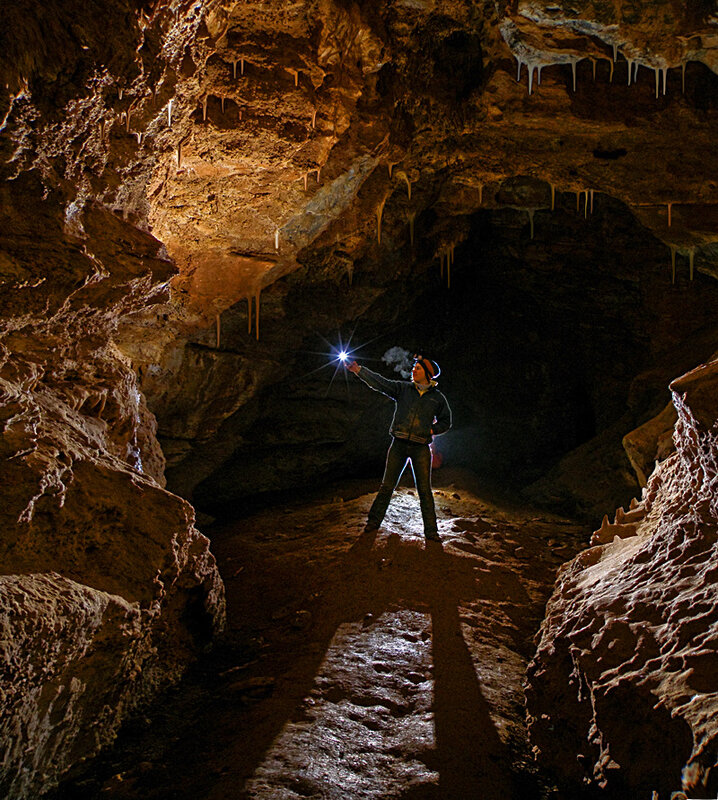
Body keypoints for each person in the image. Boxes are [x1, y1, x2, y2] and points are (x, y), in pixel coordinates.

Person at [346, 354, 452, 541]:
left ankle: (431, 532)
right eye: (414, 368)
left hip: (421, 448)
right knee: (387, 486)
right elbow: (380, 383)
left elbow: (446, 421)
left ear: (428, 374)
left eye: (418, 368)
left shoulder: (438, 398)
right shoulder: (403, 389)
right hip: (399, 444)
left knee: (424, 491)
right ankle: (373, 523)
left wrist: (432, 429)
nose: (413, 370)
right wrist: (359, 371)